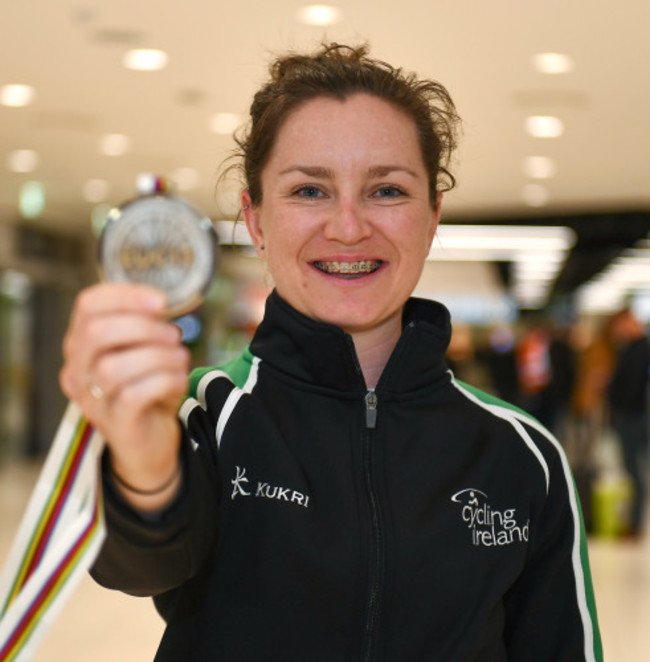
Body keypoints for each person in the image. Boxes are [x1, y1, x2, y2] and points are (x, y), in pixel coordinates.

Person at [59, 43, 602, 661]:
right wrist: (141, 454)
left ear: (432, 217)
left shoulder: (521, 455)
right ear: (256, 220)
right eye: (310, 191)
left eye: (388, 191)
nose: (348, 226)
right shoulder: (201, 415)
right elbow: (140, 563)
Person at [606, 308, 650, 538]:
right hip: (628, 417)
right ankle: (631, 521)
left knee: (634, 471)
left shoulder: (641, 349)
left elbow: (632, 387)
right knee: (631, 471)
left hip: (633, 418)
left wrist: (622, 411)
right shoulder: (630, 348)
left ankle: (634, 524)